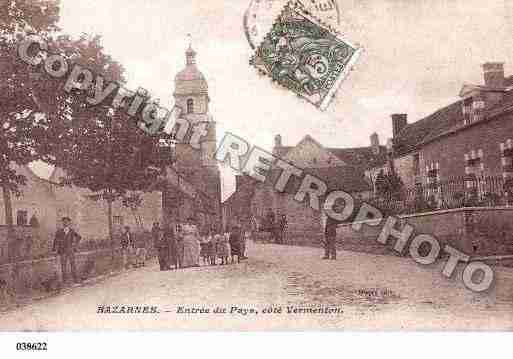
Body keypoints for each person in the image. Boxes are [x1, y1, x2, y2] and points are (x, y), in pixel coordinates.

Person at [52, 217, 82, 284]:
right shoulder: (59, 231)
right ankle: (64, 281)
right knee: (63, 266)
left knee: (73, 265)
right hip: (62, 251)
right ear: (62, 223)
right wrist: (54, 250)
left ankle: (75, 280)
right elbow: (55, 241)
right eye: (64, 222)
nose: (65, 223)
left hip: (70, 251)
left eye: (67, 222)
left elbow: (79, 237)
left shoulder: (72, 231)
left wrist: (75, 244)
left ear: (69, 223)